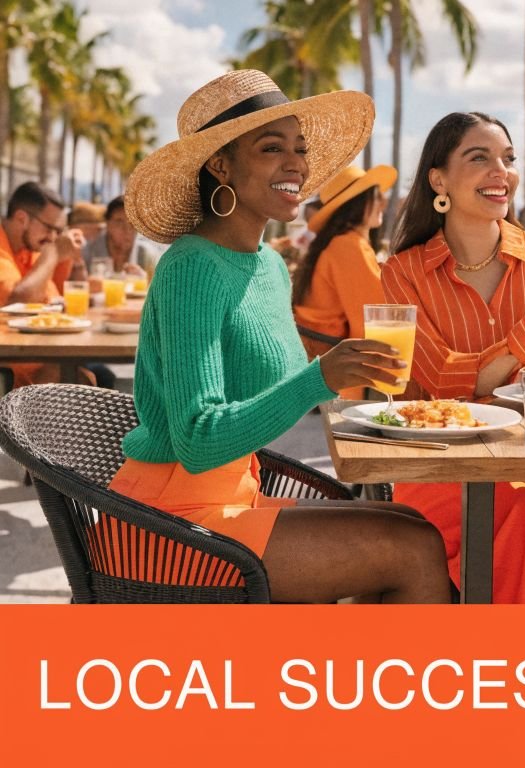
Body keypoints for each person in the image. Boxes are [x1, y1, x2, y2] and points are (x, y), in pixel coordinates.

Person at [113, 69, 453, 604]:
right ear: (221, 165)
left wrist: (343, 379)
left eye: (299, 147)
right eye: (272, 148)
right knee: (412, 550)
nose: (296, 162)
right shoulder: (191, 266)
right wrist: (320, 378)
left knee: (410, 523)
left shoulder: (270, 266)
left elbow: (285, 386)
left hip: (235, 497)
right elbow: (198, 441)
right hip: (166, 522)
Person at [381, 111, 525, 604]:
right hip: (441, 469)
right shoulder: (403, 274)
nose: (502, 171)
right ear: (438, 179)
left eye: (508, 159)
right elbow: (445, 384)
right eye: (480, 158)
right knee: (522, 511)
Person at [291, 164, 397, 398]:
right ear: (358, 203)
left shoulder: (339, 243)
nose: (384, 202)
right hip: (348, 379)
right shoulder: (349, 246)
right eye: (377, 196)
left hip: (329, 367)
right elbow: (375, 319)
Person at [0, 182, 88, 388]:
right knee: (78, 382)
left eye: (59, 231)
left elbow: (54, 300)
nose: (53, 237)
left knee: (84, 378)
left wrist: (71, 258)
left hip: (34, 356)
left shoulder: (29, 248)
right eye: (50, 228)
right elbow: (17, 302)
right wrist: (54, 252)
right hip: (9, 372)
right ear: (22, 218)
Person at [82, 196, 158, 279]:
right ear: (107, 224)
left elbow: (160, 288)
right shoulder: (88, 252)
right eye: (119, 222)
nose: (127, 230)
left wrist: (146, 282)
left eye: (133, 223)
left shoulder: (147, 255)